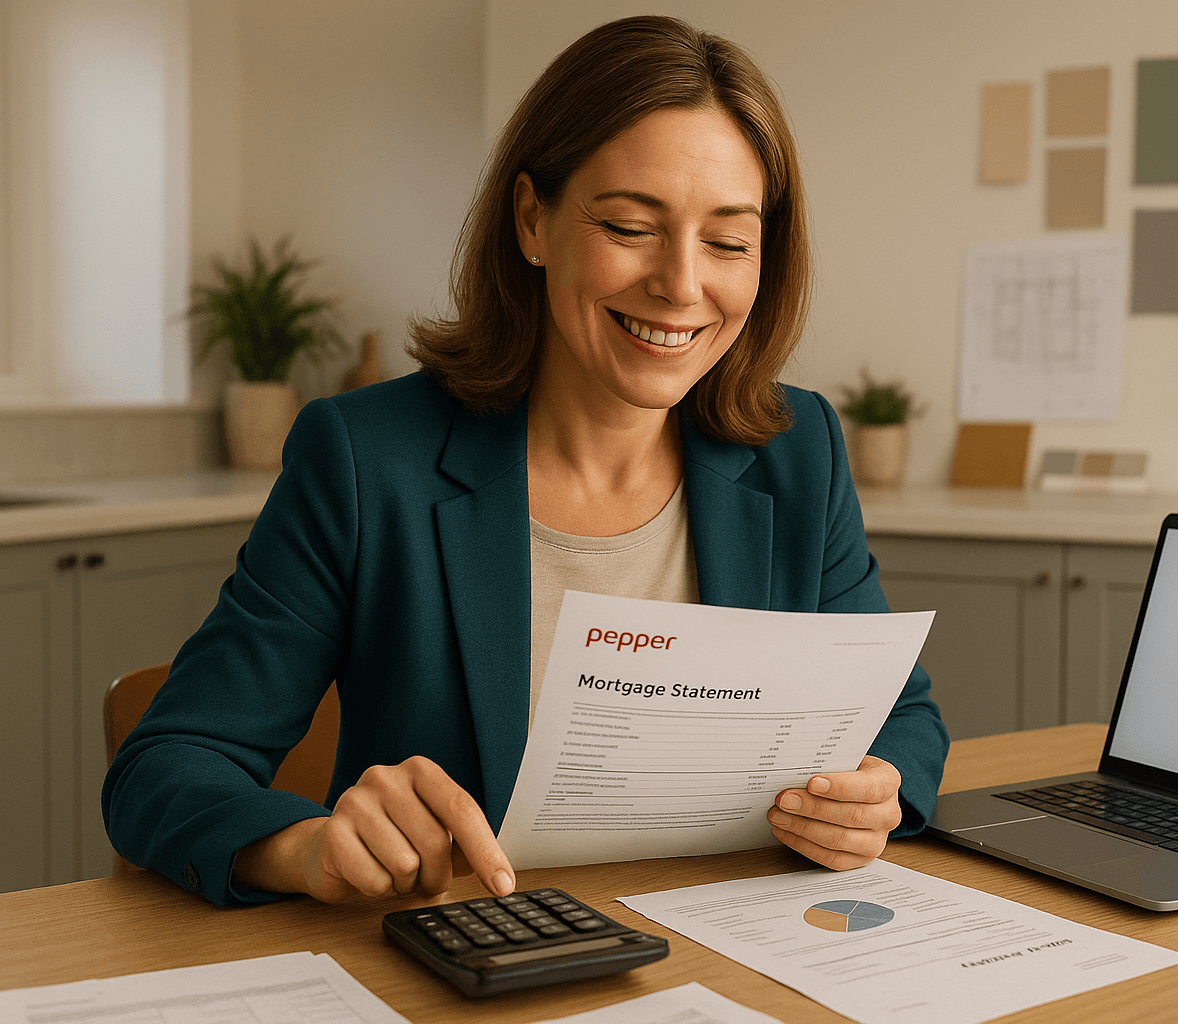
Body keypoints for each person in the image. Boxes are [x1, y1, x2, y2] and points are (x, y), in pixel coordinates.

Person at [103, 15, 948, 907]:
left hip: (726, 959)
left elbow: (902, 716)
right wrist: (308, 845)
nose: (683, 284)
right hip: (475, 967)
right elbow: (166, 765)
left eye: (729, 242)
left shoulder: (795, 449)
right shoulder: (365, 461)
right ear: (532, 219)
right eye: (630, 226)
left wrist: (876, 790)